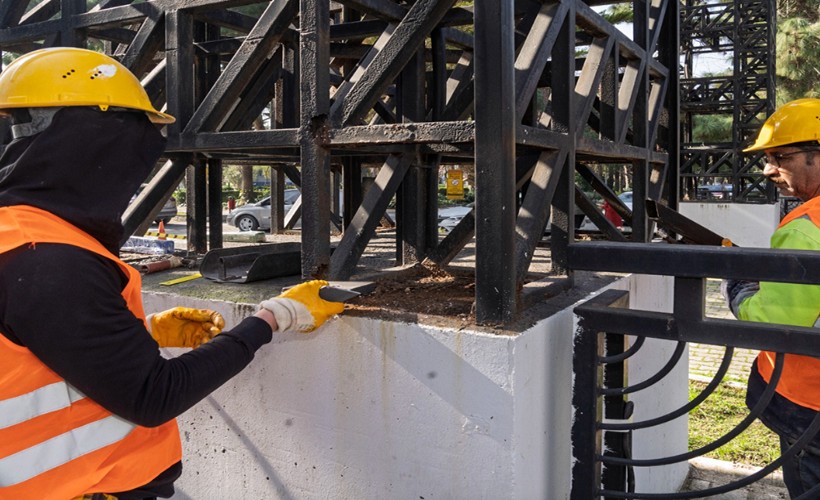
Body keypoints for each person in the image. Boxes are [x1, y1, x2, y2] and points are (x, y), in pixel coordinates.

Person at [0, 47, 345, 499]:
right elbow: (153, 395)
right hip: (80, 489)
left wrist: (143, 331)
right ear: (95, 142)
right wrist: (272, 318)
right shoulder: (49, 257)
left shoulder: (17, 232)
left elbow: (33, 338)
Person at [722, 98, 820, 498]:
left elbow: (772, 322)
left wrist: (739, 285)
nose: (768, 170)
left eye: (780, 157)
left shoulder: (806, 227)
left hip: (807, 403)